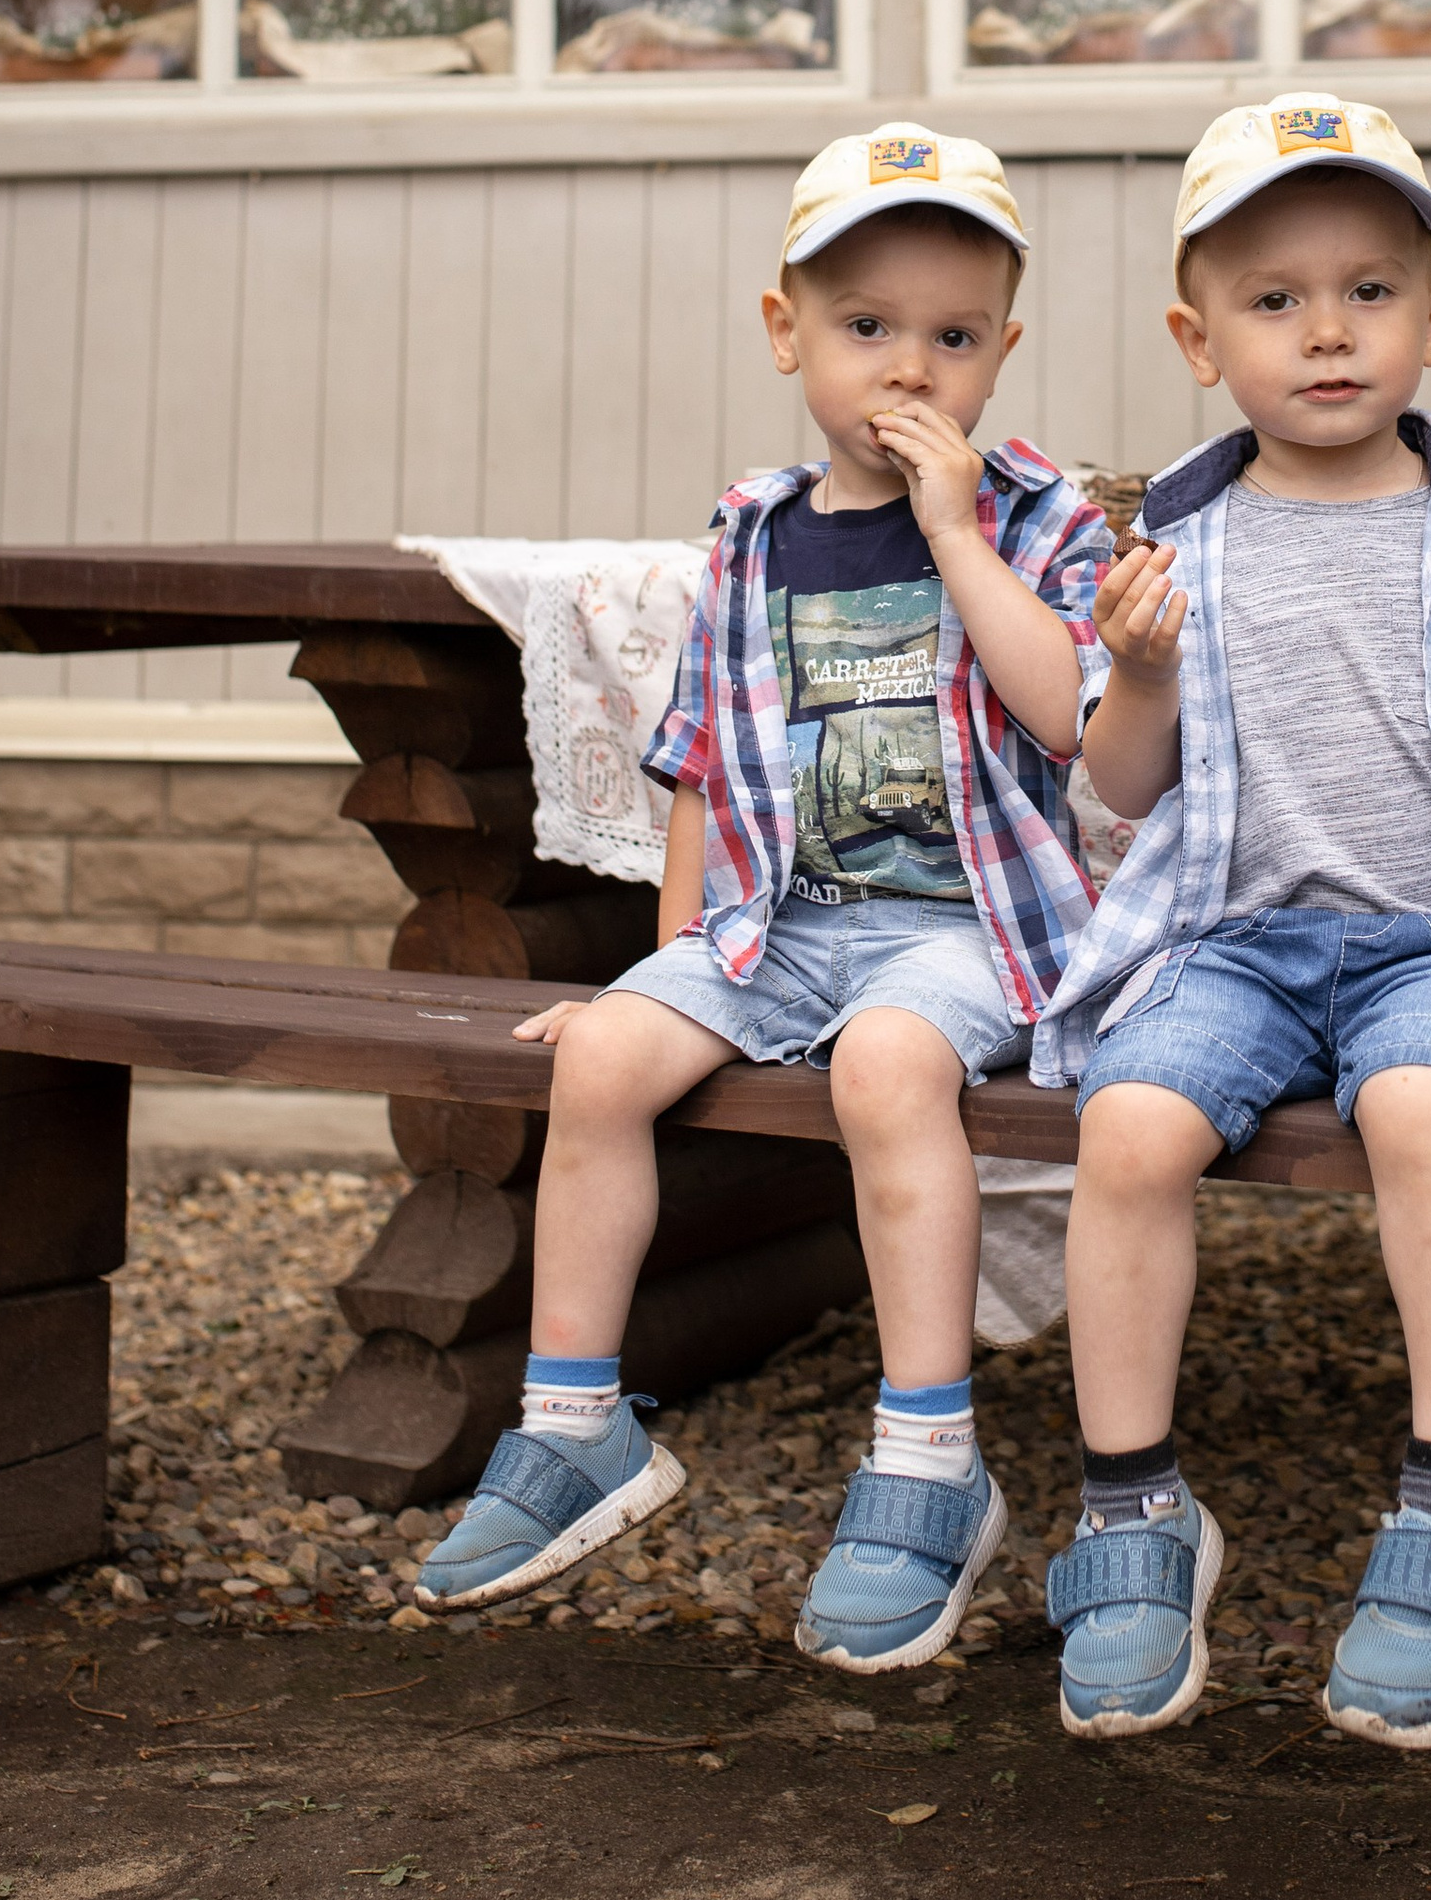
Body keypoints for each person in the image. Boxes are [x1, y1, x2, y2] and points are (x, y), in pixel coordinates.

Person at [1032, 91, 1431, 1750]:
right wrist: (1143, 669)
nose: (1327, 333)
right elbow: (1119, 784)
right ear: (1199, 340)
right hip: (1236, 943)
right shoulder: (1174, 542)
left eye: (1370, 291)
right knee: (1128, 1126)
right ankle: (1132, 1512)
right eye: (1273, 300)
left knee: (1422, 1104)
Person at [416, 127, 1109, 1670]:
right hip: (777, 932)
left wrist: (950, 532)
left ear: (1003, 349)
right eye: (866, 328)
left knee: (884, 1065)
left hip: (964, 938)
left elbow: (1072, 716)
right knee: (602, 1054)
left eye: (952, 336)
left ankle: (929, 1455)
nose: (908, 370)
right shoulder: (751, 534)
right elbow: (704, 767)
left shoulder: (1038, 517)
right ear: (786, 330)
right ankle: (578, 1425)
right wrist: (670, 977)